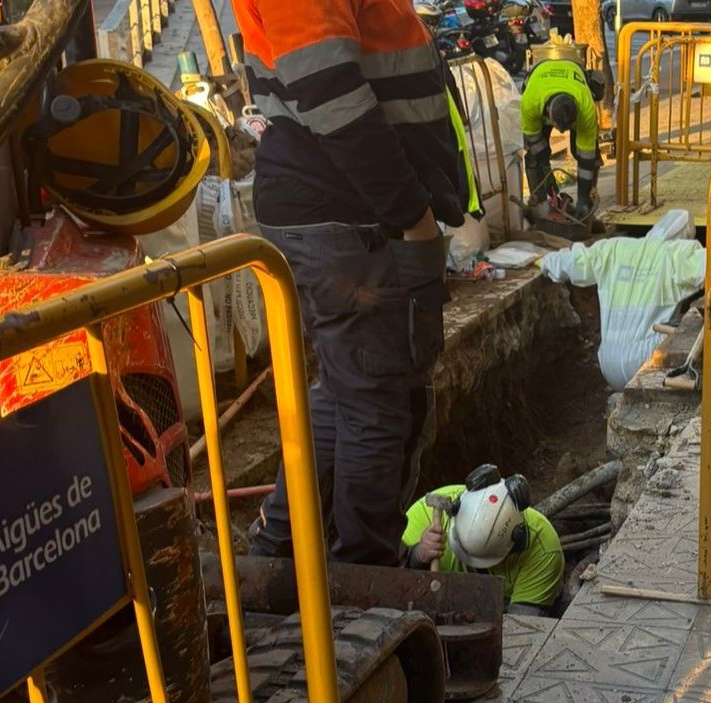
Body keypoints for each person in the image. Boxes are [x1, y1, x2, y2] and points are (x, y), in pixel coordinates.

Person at [233, 0, 474, 565]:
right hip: (354, 215)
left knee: (347, 391)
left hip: (336, 211)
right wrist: (411, 214)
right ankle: (367, 572)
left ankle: (280, 552)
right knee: (380, 399)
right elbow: (330, 93)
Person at [402, 466, 564, 616]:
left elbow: (519, 628)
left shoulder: (543, 551)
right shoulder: (423, 516)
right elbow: (390, 583)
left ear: (516, 541)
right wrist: (416, 555)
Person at [521, 57, 600, 220]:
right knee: (534, 157)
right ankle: (540, 208)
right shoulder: (530, 102)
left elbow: (587, 157)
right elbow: (534, 141)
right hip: (539, 75)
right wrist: (546, 170)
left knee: (586, 155)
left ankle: (586, 205)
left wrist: (583, 198)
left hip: (573, 72)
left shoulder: (586, 108)